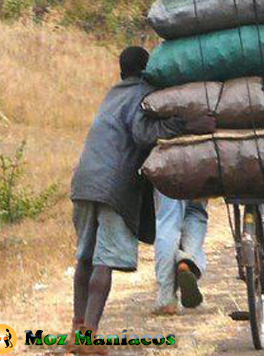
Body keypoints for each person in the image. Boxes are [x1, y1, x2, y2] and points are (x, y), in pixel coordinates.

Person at [70, 46, 215, 353]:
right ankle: (89, 336)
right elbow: (141, 134)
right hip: (113, 186)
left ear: (122, 70)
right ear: (147, 69)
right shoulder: (142, 93)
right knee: (103, 260)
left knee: (84, 257)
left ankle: (76, 330)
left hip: (83, 180)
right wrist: (177, 126)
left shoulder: (112, 94)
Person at [153, 194, 209, 315]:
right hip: (199, 176)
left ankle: (166, 298)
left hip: (165, 177)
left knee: (168, 218)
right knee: (196, 212)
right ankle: (187, 260)